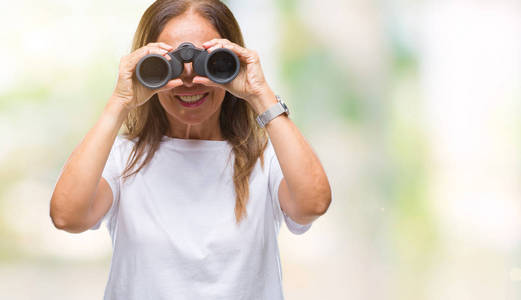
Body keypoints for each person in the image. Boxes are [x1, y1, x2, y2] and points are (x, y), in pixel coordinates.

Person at [49, 0, 332, 299]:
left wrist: (260, 94)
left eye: (207, 61)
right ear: (148, 65)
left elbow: (312, 204)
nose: (187, 79)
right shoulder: (124, 158)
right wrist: (120, 102)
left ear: (230, 60)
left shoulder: (267, 157)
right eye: (168, 62)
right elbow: (68, 217)